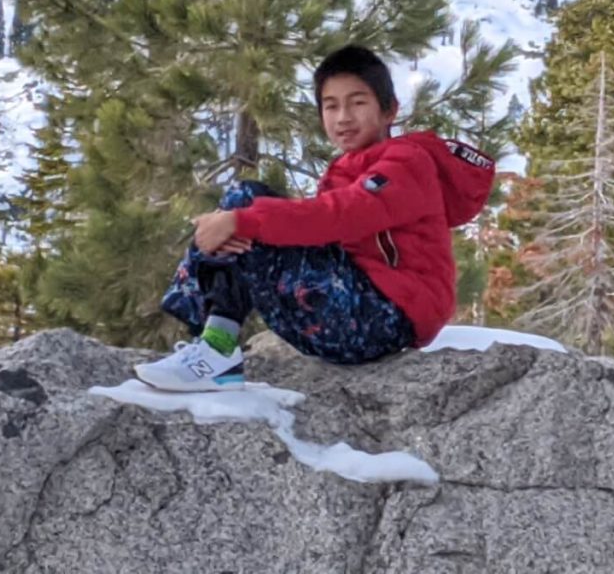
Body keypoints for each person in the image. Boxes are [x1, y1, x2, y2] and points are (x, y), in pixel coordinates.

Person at [134, 44, 495, 391]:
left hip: (387, 316)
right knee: (243, 211)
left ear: (390, 111)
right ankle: (215, 345)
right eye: (331, 106)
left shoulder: (407, 162)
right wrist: (235, 225)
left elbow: (343, 214)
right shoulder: (346, 168)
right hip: (361, 310)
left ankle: (216, 348)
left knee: (246, 203)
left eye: (357, 103)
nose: (343, 117)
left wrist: (242, 222)